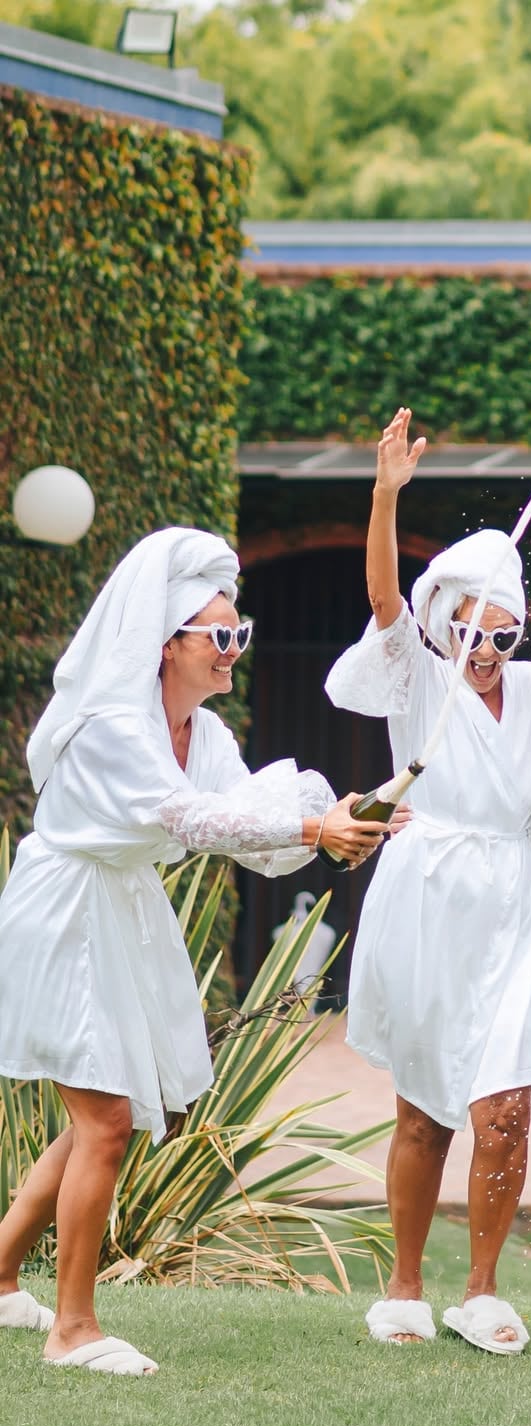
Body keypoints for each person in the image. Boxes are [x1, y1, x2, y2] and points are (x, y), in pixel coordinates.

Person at [0, 527, 381, 1376]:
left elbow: (247, 816)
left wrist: (338, 822)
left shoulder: (202, 733)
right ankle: (72, 1329)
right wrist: (312, 827)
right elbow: (191, 819)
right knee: (106, 1119)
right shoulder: (112, 726)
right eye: (218, 633)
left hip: (121, 908)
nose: (233, 647)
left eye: (239, 631)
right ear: (165, 642)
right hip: (64, 908)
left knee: (116, 1113)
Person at [325, 408, 531, 1354]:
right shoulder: (419, 679)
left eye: (504, 632)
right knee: (424, 1110)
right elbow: (383, 596)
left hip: (516, 902)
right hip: (429, 898)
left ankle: (483, 1287)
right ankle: (405, 1283)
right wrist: (386, 494)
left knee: (505, 1109)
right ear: (445, 623)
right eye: (472, 630)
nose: (488, 648)